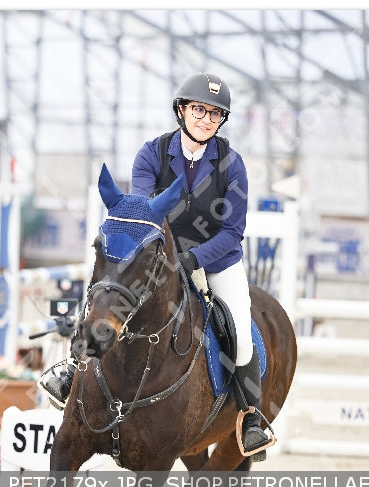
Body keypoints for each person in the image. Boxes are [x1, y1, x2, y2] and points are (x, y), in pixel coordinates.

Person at [40, 72, 270, 454]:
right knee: (110, 295)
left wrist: (191, 258)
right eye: (199, 110)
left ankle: (250, 417)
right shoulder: (153, 153)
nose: (206, 120)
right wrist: (162, 256)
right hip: (157, 254)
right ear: (181, 111)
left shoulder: (232, 165)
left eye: (215, 114)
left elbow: (232, 232)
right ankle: (72, 373)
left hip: (216, 260)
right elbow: (142, 214)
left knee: (240, 331)